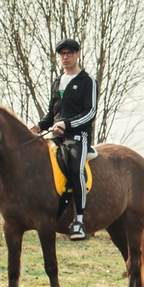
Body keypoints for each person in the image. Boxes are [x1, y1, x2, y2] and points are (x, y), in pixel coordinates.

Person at [34, 38, 97, 240]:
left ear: (78, 54)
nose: (65, 57)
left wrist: (67, 125)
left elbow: (91, 113)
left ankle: (79, 221)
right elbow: (52, 114)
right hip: (55, 137)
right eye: (62, 54)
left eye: (69, 53)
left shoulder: (88, 81)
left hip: (78, 137)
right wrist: (40, 126)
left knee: (74, 168)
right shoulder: (57, 82)